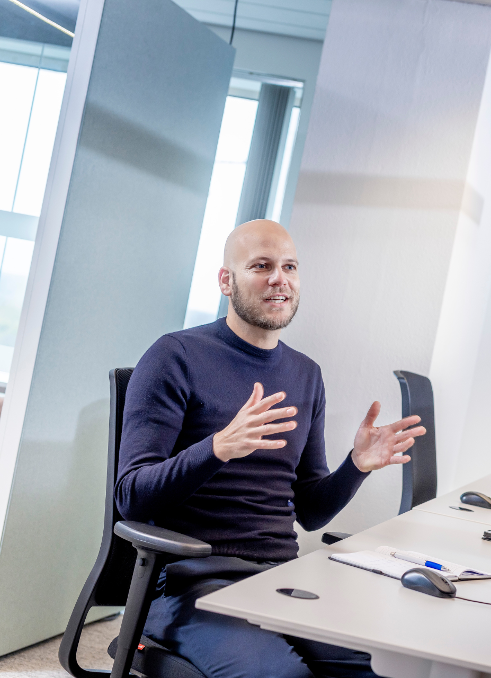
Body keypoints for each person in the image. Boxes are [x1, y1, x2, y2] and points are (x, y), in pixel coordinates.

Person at [116, 219, 424, 678]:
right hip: (187, 582)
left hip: (280, 576)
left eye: (290, 267)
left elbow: (310, 511)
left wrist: (356, 466)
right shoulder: (175, 356)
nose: (279, 278)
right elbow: (131, 497)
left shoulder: (306, 374)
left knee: (373, 668)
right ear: (227, 281)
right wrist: (217, 448)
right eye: (261, 266)